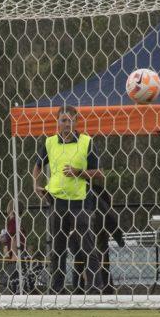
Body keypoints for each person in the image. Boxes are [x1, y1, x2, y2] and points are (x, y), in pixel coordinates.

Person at [31, 106, 104, 294]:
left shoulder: (87, 142)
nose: (66, 124)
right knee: (57, 247)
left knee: (86, 244)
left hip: (80, 201)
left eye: (70, 120)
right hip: (56, 199)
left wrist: (78, 172)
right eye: (63, 120)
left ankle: (95, 288)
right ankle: (56, 289)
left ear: (76, 122)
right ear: (57, 123)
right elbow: (38, 166)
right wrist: (35, 185)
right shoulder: (49, 143)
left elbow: (99, 174)